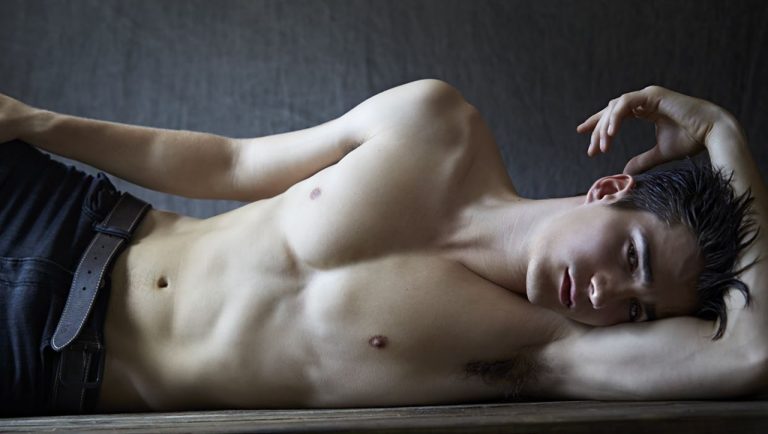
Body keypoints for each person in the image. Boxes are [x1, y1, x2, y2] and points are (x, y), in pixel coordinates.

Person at [0, 80, 765, 416]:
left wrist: (722, 132)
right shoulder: (434, 124)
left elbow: (749, 352)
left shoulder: (540, 350)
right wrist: (36, 123)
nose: (606, 298)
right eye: (630, 261)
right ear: (609, 189)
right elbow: (230, 163)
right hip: (60, 216)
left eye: (636, 313)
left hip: (39, 355)